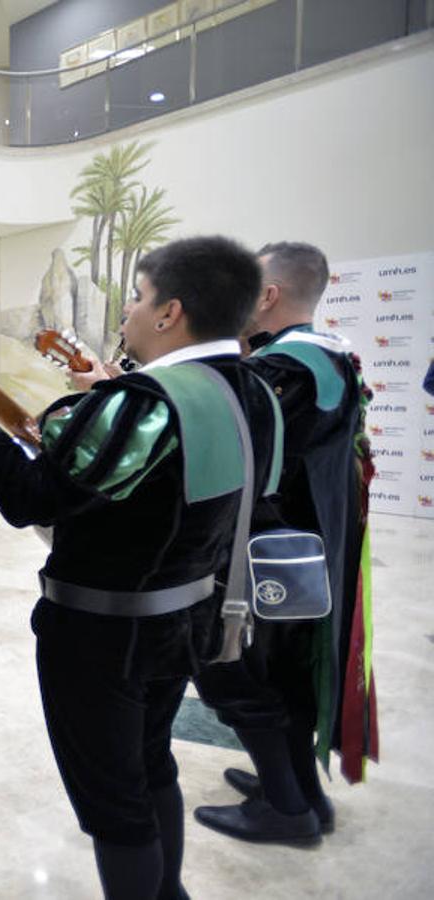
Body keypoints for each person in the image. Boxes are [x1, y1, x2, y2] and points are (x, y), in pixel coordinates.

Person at [0, 236, 282, 899]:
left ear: (170, 312)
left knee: (115, 804)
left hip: (102, 635)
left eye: (137, 301)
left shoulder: (145, 404)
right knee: (152, 763)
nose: (126, 317)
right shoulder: (252, 391)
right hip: (187, 617)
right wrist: (109, 396)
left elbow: (30, 498)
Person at [194, 242, 376, 845]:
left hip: (271, 555)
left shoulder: (284, 369)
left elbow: (230, 451)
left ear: (266, 296)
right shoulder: (328, 358)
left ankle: (287, 808)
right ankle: (299, 791)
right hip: (309, 551)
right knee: (289, 679)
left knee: (241, 677)